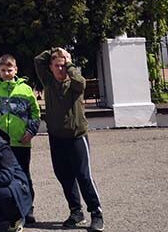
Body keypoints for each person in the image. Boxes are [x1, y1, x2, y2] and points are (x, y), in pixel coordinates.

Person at [34, 48, 104, 232]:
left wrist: (69, 61)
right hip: (56, 137)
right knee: (64, 175)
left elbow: (81, 82)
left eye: (63, 66)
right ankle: (76, 211)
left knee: (83, 176)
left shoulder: (74, 84)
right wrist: (55, 51)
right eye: (56, 66)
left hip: (76, 137)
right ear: (51, 67)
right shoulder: (48, 82)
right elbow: (38, 60)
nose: (60, 69)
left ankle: (96, 213)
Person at [0, 54, 40, 224]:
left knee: (24, 175)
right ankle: (3, 208)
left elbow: (35, 113)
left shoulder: (26, 89)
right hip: (1, 143)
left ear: (16, 70)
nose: (6, 73)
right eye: (3, 70)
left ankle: (28, 208)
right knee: (1, 175)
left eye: (10, 70)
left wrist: (31, 131)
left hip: (21, 141)